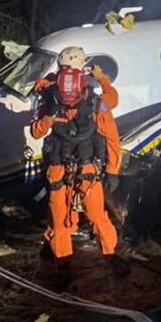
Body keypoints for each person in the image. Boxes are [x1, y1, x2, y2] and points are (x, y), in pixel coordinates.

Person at [30, 46, 125, 284]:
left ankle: (68, 265)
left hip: (68, 169)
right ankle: (106, 258)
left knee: (66, 219)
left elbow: (36, 131)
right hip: (81, 168)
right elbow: (112, 135)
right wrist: (112, 170)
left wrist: (48, 116)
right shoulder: (94, 101)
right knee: (87, 217)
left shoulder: (49, 96)